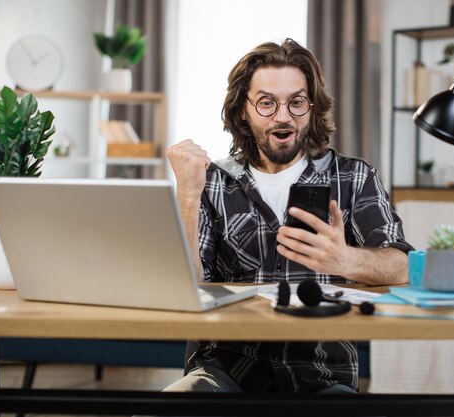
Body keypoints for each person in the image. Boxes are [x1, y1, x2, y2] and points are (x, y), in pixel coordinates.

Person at [165, 38, 413, 394]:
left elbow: (403, 265)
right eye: (267, 103)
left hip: (322, 375)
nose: (283, 116)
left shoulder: (353, 178)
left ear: (311, 109)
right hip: (224, 371)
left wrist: (346, 260)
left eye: (296, 102)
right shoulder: (212, 182)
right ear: (242, 112)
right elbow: (185, 287)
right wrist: (188, 194)